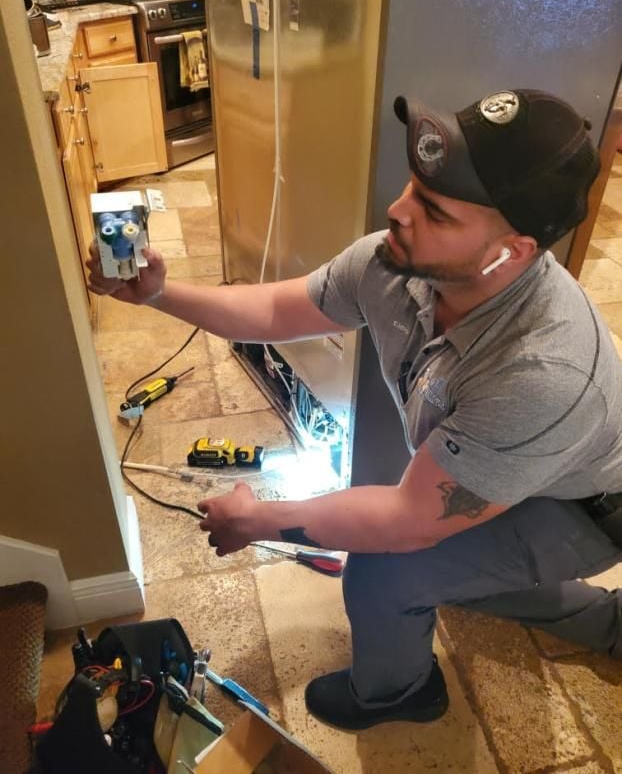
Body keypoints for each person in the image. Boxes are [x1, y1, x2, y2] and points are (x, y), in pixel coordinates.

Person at [87, 88, 622, 732]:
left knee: (389, 573)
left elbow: (405, 521)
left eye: (435, 210)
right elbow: (281, 311)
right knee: (462, 557)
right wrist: (157, 294)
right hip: (528, 467)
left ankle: (398, 693)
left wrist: (257, 520)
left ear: (510, 252)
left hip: (588, 505)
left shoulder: (539, 369)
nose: (397, 210)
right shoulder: (394, 265)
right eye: (412, 185)